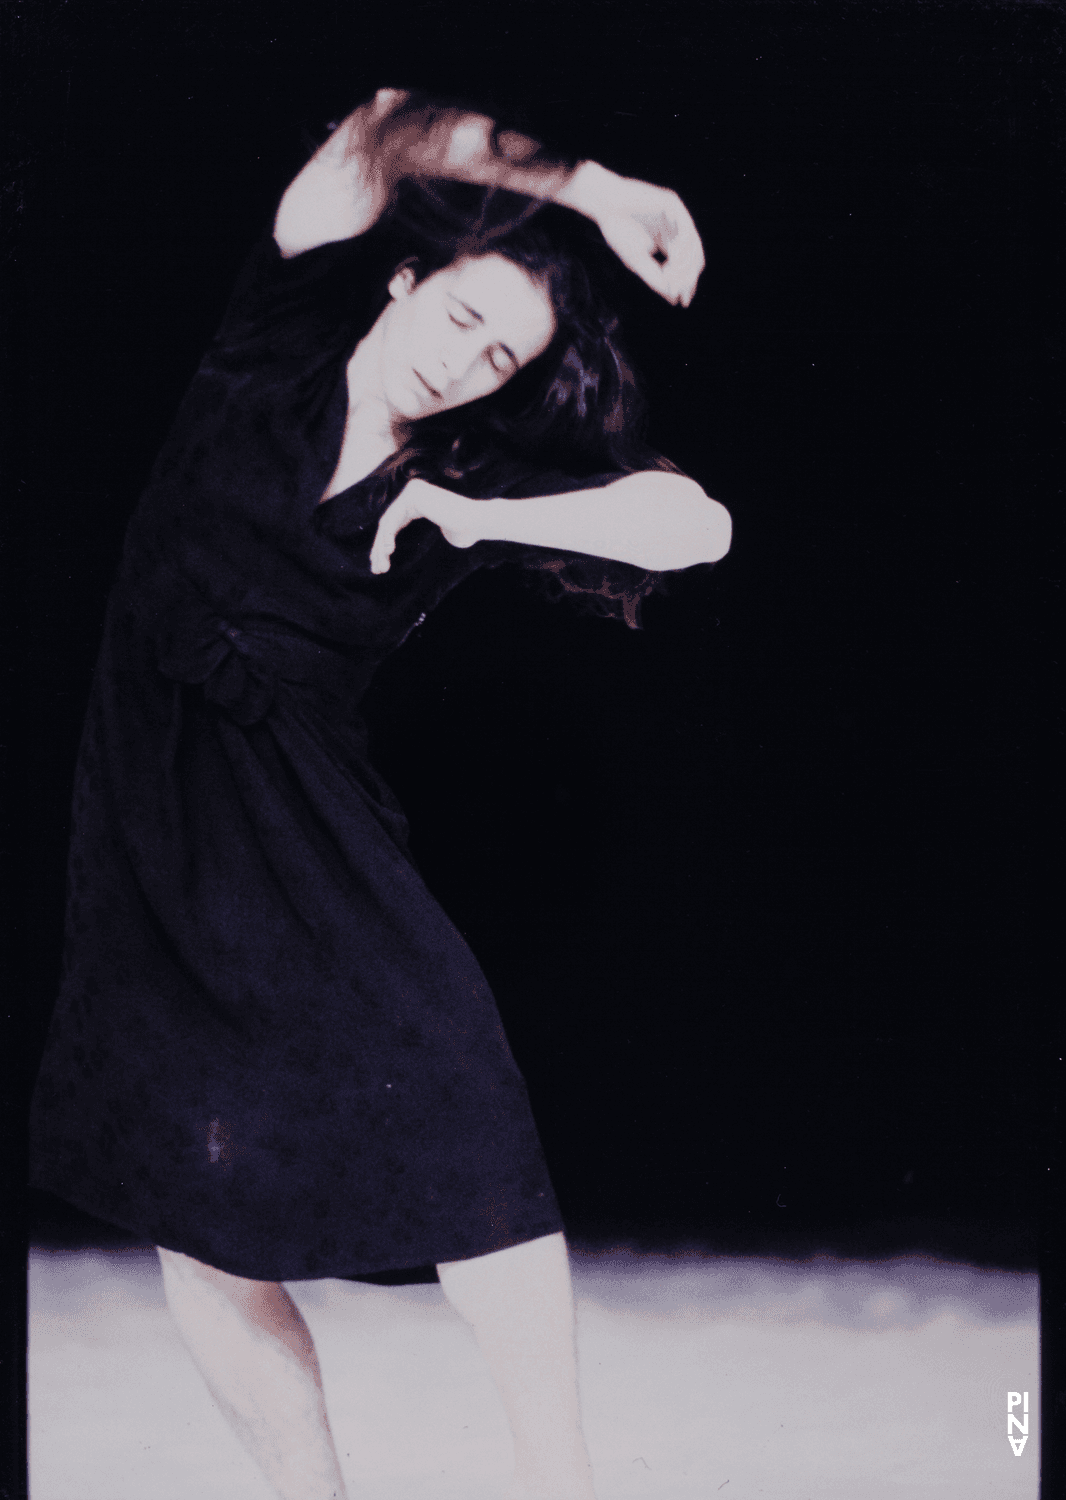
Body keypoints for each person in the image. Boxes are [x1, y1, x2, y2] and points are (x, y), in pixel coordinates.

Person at [29, 86, 731, 1500]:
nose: (467, 363)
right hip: (150, 820)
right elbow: (390, 126)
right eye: (460, 318)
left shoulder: (467, 470)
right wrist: (593, 188)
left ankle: (564, 1480)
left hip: (315, 836)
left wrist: (489, 516)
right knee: (197, 1215)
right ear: (405, 278)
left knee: (476, 1135)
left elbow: (697, 524)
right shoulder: (274, 333)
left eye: (500, 357)